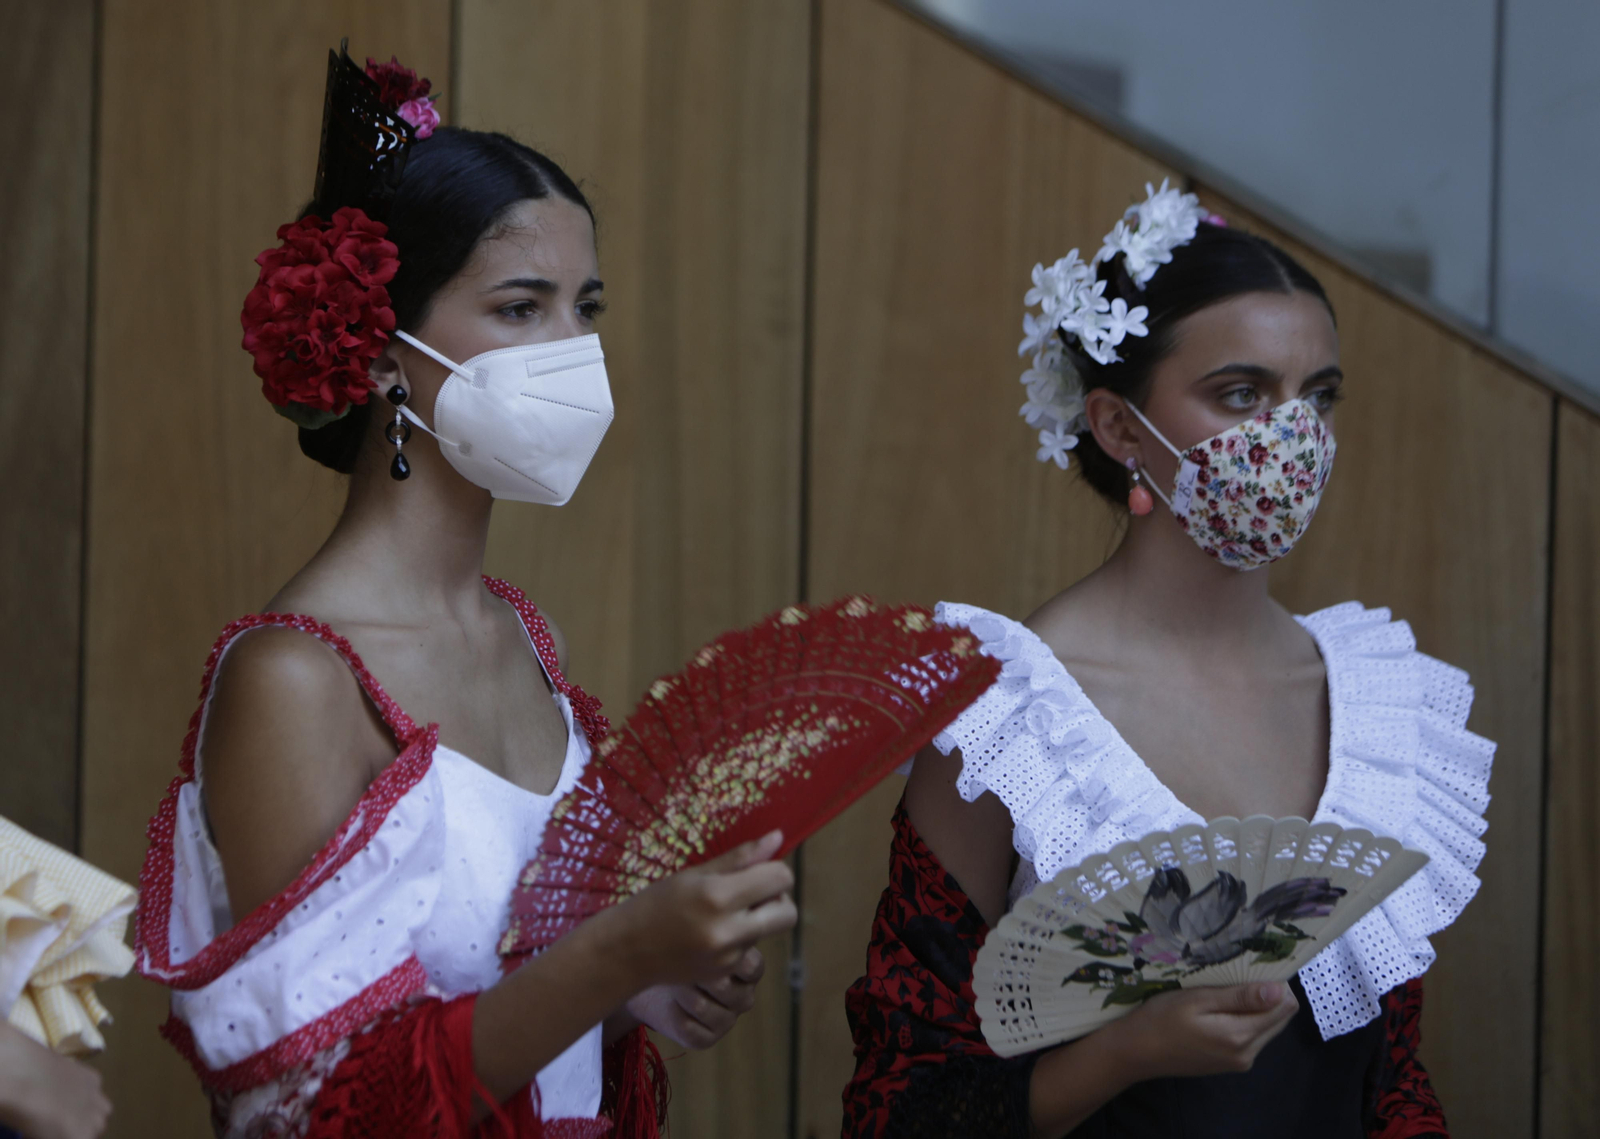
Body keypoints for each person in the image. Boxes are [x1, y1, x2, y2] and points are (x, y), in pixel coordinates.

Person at [133, 51, 794, 1137]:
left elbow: (518, 997)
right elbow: (307, 1105)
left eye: (586, 308)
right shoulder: (294, 677)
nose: (573, 352)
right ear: (385, 355)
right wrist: (615, 950)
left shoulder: (526, 636)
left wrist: (638, 992)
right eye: (519, 307)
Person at [841, 183, 1493, 1138]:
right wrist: (1125, 1051)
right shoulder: (1012, 723)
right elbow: (900, 1108)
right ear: (1115, 426)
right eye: (1242, 392)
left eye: (1318, 397)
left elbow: (1392, 1077)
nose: (1293, 438)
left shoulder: (1376, 712)